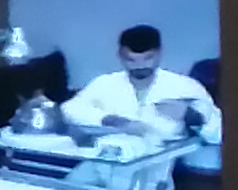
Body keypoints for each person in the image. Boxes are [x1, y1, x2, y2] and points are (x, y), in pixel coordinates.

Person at [58, 24, 224, 147]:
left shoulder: (185, 87)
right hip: (108, 158)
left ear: (159, 53)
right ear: (120, 56)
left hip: (157, 164)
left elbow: (221, 134)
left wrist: (191, 116)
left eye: (148, 58)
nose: (140, 66)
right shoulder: (104, 83)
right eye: (131, 60)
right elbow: (69, 110)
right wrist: (113, 121)